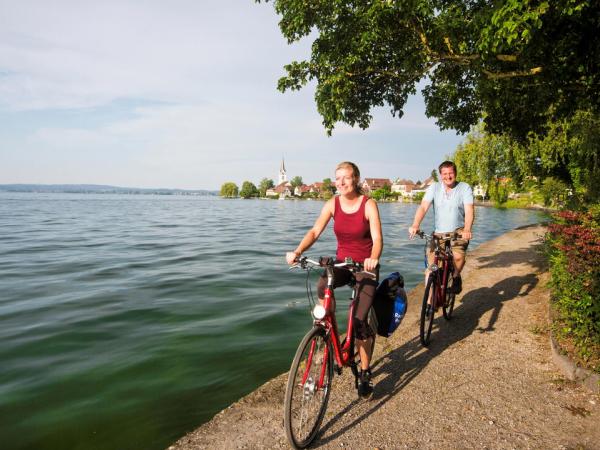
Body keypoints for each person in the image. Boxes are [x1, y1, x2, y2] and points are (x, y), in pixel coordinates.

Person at [286, 161, 383, 398]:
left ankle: (365, 370)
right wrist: (297, 252)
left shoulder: (368, 204)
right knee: (322, 285)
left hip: (365, 267)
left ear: (357, 179)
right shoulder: (333, 204)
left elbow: (378, 238)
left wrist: (373, 257)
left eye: (346, 178)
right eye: (337, 178)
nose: (341, 182)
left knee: (360, 320)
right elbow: (315, 231)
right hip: (342, 264)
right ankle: (327, 326)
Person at [408, 160, 474, 296]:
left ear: (455, 173)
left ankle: (456, 276)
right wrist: (415, 225)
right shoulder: (434, 188)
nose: (448, 176)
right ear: (440, 175)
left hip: (459, 231)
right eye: (444, 174)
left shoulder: (464, 187)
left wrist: (467, 229)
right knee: (431, 269)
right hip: (439, 233)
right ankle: (429, 305)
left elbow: (469, 210)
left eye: (451, 173)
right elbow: (423, 207)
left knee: (457, 256)